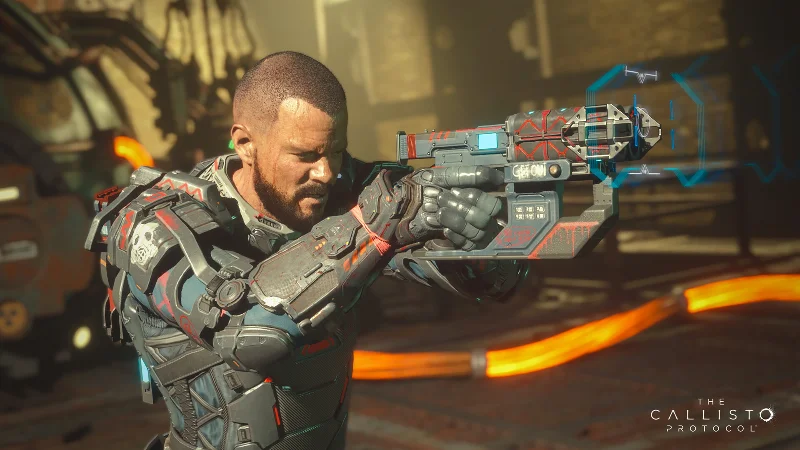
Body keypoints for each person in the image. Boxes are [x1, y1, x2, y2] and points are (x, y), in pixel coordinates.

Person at [85, 51, 527, 450]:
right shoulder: (153, 223)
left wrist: (477, 230)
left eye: (336, 151)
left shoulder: (343, 193)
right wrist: (375, 222)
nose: (326, 172)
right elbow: (252, 334)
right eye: (305, 155)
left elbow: (491, 282)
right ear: (245, 144)